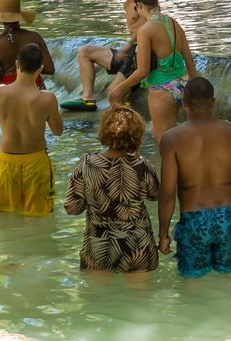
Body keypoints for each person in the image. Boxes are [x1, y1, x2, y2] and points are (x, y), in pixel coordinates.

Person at [158, 77, 231, 278]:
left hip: (194, 220)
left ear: (184, 103)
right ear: (213, 102)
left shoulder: (171, 138)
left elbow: (167, 192)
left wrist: (163, 234)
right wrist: (225, 185)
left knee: (192, 283)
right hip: (226, 218)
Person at [64, 105, 160, 271]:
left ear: (104, 131)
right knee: (140, 297)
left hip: (98, 245)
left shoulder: (86, 164)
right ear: (137, 135)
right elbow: (155, 195)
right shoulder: (143, 166)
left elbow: (72, 208)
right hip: (138, 246)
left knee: (98, 297)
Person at [108, 0, 195, 138]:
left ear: (140, 5)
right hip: (183, 84)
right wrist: (194, 85)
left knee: (164, 144)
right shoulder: (173, 23)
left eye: (136, 7)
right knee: (172, 137)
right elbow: (188, 59)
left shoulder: (145, 30)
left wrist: (119, 88)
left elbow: (143, 71)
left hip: (162, 89)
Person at [0, 41, 63, 216]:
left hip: (7, 162)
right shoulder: (48, 98)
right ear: (40, 69)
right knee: (39, 217)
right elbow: (58, 131)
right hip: (36, 163)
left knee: (2, 216)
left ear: (17, 64)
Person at [76, 0, 140, 103]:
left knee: (112, 94)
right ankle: (88, 99)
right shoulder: (127, 4)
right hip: (128, 53)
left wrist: (127, 46)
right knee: (85, 51)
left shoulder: (141, 0)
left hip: (139, 56)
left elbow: (146, 28)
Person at [0, 0, 55, 88]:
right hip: (34, 86)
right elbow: (50, 69)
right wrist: (31, 68)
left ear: (0, 18)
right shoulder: (35, 37)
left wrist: (2, 71)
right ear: (19, 15)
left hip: (8, 89)